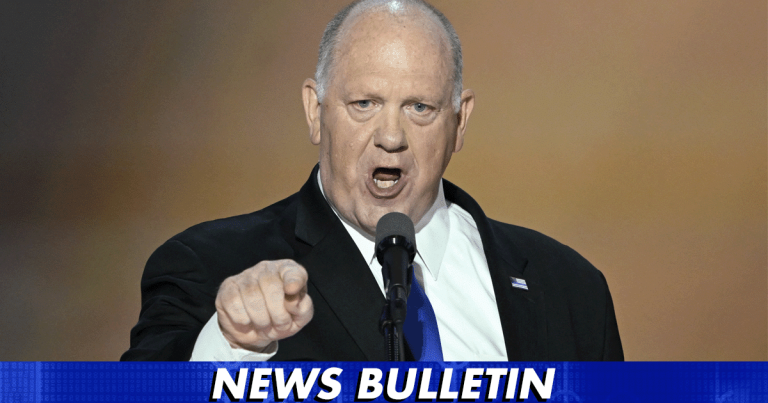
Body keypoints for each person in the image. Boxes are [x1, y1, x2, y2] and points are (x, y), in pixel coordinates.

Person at [121, 0, 623, 361]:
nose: (390, 137)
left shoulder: (570, 289)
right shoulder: (210, 267)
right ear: (315, 111)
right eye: (364, 103)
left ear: (459, 121)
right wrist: (232, 345)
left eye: (419, 107)